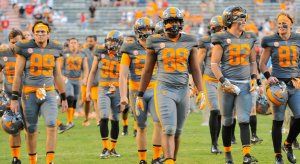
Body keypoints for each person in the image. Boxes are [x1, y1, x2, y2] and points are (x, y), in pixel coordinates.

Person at [138, 7, 205, 163]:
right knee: (168, 128)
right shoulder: (154, 41)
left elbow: (195, 68)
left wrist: (201, 91)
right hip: (164, 89)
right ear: (164, 23)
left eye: (176, 21)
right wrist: (140, 94)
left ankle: (171, 159)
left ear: (181, 22)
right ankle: (168, 161)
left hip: (183, 90)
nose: (173, 24)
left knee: (177, 132)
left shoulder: (190, 40)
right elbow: (147, 71)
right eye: (170, 21)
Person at [10, 21, 68, 164]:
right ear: (33, 34)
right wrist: (14, 97)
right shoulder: (24, 47)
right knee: (31, 129)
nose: (40, 34)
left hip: (48, 93)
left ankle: (50, 161)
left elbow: (57, 75)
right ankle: (32, 161)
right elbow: (17, 75)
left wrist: (63, 96)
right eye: (37, 32)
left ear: (48, 34)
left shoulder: (56, 48)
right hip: (29, 94)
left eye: (43, 32)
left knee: (51, 124)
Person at [211, 6, 258, 163]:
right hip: (227, 85)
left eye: (243, 16)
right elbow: (214, 64)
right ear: (230, 19)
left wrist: (254, 78)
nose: (243, 19)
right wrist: (224, 81)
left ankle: (246, 155)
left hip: (244, 84)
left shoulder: (250, 37)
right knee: (227, 121)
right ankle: (228, 154)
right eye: (239, 16)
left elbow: (253, 61)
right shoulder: (221, 38)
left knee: (244, 119)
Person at [119, 17, 162, 164]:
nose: (146, 32)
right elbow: (123, 74)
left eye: (148, 29)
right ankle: (142, 160)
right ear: (137, 31)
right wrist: (123, 95)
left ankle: (156, 157)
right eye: (143, 29)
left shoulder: (157, 46)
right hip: (136, 92)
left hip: (155, 89)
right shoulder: (129, 48)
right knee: (141, 126)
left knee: (159, 122)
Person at [259, 12, 300, 164]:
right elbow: (262, 63)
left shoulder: (297, 39)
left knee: (299, 116)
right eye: (279, 23)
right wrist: (268, 76)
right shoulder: (270, 40)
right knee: (278, 120)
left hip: (295, 83)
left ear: (291, 24)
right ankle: (278, 156)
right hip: (277, 85)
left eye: (285, 23)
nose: (282, 26)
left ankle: (288, 144)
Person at [86, 30, 124, 159]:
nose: (110, 43)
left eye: (113, 41)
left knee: (115, 119)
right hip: (103, 88)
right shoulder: (100, 52)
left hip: (117, 89)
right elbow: (92, 72)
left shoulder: (123, 55)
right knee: (103, 116)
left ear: (119, 43)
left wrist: (125, 95)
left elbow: (125, 77)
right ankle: (105, 147)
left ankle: (113, 148)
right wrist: (87, 90)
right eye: (109, 40)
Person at [198, 15, 224, 154]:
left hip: (224, 81)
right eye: (216, 28)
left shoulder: (229, 40)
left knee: (221, 113)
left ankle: (217, 143)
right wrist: (196, 84)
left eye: (220, 28)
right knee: (215, 110)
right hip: (210, 79)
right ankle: (214, 144)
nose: (218, 31)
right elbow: (197, 63)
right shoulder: (206, 42)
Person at [0, 29, 23, 164]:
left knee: (30, 129)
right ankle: (16, 158)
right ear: (9, 42)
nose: (15, 44)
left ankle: (33, 157)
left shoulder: (28, 54)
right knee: (13, 127)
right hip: (10, 96)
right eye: (13, 42)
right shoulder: (3, 55)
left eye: (18, 42)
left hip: (27, 95)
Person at [63, 38, 88, 129]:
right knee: (70, 97)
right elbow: (60, 66)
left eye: (75, 43)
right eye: (71, 43)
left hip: (77, 79)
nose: (73, 44)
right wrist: (62, 76)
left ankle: (71, 120)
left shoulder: (82, 54)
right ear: (69, 44)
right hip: (68, 79)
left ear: (78, 44)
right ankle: (69, 121)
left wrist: (85, 78)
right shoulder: (64, 54)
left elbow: (85, 67)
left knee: (75, 100)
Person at [82, 35, 100, 126]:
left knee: (96, 100)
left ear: (95, 42)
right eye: (88, 41)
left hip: (96, 79)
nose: (89, 43)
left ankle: (98, 120)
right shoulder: (83, 51)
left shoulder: (99, 51)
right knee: (86, 101)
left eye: (91, 41)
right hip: (85, 79)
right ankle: (86, 118)